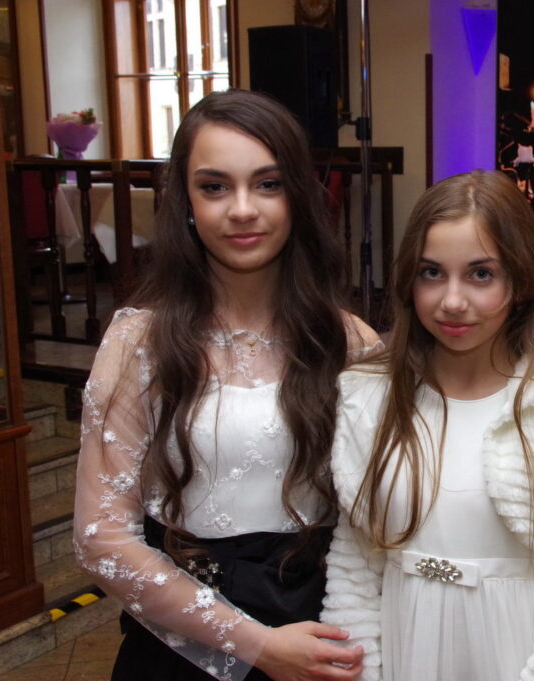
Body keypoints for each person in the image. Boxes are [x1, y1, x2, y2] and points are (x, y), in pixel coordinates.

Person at [73, 89, 379, 681]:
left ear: (297, 195)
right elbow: (100, 537)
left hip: (321, 633)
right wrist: (258, 645)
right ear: (185, 202)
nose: (242, 209)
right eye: (214, 186)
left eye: (267, 184)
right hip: (181, 644)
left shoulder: (349, 342)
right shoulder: (140, 342)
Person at [320, 170, 534, 681]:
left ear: (519, 281)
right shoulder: (369, 394)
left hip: (513, 649)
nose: (452, 301)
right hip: (405, 642)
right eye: (432, 273)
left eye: (481, 274)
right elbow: (354, 566)